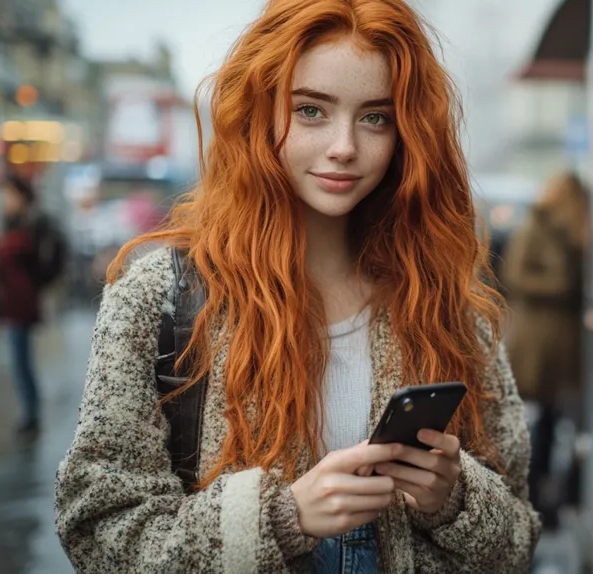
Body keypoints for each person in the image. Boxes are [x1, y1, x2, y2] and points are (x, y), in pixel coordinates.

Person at [54, 1, 541, 572]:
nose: (344, 146)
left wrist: (455, 500)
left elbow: (520, 538)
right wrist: (283, 518)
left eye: (375, 117)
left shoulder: (445, 303)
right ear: (259, 113)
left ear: (408, 132)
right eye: (311, 110)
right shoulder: (162, 295)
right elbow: (96, 527)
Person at [501, 171, 591, 529]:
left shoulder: (576, 234)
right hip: (537, 340)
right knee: (536, 419)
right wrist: (561, 285)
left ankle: (551, 494)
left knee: (558, 419)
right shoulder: (535, 226)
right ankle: (532, 492)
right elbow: (516, 276)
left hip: (564, 342)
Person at [0, 175, 44, 438]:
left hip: (20, 304)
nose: (5, 200)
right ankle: (30, 412)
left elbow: (39, 264)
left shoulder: (29, 225)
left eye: (9, 195)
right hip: (12, 304)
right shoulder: (11, 223)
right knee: (21, 362)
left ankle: (31, 414)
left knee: (21, 363)